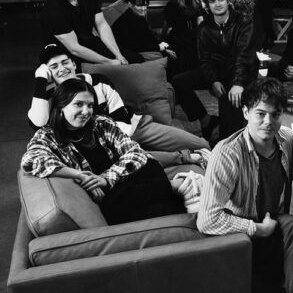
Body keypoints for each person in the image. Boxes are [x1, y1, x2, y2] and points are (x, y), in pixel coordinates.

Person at [196, 78, 293, 293]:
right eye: (260, 113)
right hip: (242, 230)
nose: (268, 122)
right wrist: (257, 229)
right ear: (246, 112)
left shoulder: (287, 139)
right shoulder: (227, 153)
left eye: (275, 115)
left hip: (274, 221)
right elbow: (207, 219)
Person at [22, 78, 186, 225]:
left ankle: (177, 199)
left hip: (124, 181)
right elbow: (31, 161)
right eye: (78, 104)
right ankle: (176, 189)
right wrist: (81, 175)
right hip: (112, 197)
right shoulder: (47, 136)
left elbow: (136, 152)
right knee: (119, 206)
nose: (86, 111)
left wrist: (106, 179)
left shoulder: (100, 123)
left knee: (149, 166)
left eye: (90, 105)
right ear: (61, 107)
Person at [28, 44, 211, 169]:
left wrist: (124, 144)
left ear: (73, 63)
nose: (62, 69)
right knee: (138, 160)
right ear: (48, 72)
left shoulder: (98, 81)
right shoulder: (51, 98)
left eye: (65, 62)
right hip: (107, 146)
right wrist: (40, 81)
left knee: (201, 144)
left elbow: (121, 115)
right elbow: (38, 123)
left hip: (134, 128)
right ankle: (184, 159)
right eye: (54, 66)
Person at [171, 0, 257, 142]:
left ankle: (229, 139)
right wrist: (213, 81)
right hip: (218, 72)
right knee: (178, 82)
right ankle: (206, 120)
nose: (217, 4)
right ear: (207, 5)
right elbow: (204, 60)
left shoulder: (244, 22)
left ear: (228, 1)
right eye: (212, 1)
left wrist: (238, 83)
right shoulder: (204, 28)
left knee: (228, 132)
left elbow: (244, 56)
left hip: (240, 73)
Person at [42, 0, 142, 65]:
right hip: (67, 55)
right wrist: (109, 62)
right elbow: (74, 49)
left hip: (91, 43)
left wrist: (118, 55)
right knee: (116, 70)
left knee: (136, 59)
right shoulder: (53, 9)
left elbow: (101, 25)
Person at [108, 0, 175, 60]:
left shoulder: (120, 18)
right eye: (139, 5)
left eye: (144, 5)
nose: (143, 9)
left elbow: (149, 36)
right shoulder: (137, 19)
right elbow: (145, 42)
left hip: (124, 52)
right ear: (130, 4)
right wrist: (162, 48)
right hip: (134, 54)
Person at [163, 0, 205, 74]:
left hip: (194, 38)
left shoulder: (196, 1)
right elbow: (167, 28)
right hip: (180, 41)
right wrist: (164, 47)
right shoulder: (172, 4)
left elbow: (201, 22)